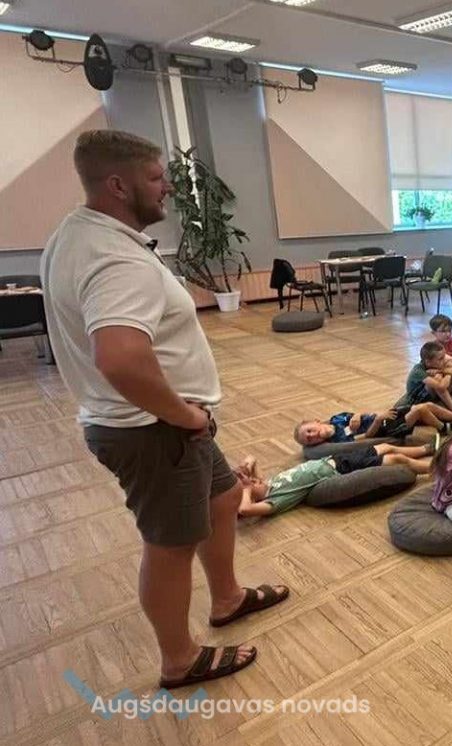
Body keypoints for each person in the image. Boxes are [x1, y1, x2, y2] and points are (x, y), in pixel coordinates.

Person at [40, 130, 283, 689]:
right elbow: (121, 357)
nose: (168, 188)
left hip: (163, 426)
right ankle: (179, 659)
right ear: (117, 184)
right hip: (154, 430)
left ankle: (227, 597)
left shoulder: (78, 234)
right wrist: (185, 416)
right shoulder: (113, 257)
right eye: (155, 177)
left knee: (224, 496)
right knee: (170, 546)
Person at [235, 443, 434, 517]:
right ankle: (437, 469)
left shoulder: (269, 483)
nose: (252, 480)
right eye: (250, 484)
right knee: (396, 460)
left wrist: (245, 470)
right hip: (340, 470)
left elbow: (251, 458)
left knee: (386, 446)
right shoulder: (276, 499)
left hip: (335, 459)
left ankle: (427, 449)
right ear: (252, 496)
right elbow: (245, 510)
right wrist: (246, 490)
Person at [294, 402, 452, 446]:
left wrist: (358, 414)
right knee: (420, 410)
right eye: (309, 439)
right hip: (385, 428)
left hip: (383, 417)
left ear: (315, 422)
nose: (312, 435)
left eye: (309, 431)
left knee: (427, 405)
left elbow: (361, 414)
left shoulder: (336, 419)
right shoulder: (337, 440)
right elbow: (366, 437)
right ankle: (446, 429)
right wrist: (379, 420)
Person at [398, 341, 452, 416]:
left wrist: (443, 371)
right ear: (428, 362)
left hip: (434, 394)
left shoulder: (440, 362)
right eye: (441, 359)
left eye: (444, 356)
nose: (444, 360)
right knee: (438, 378)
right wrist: (449, 373)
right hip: (418, 400)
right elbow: (441, 386)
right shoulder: (418, 371)